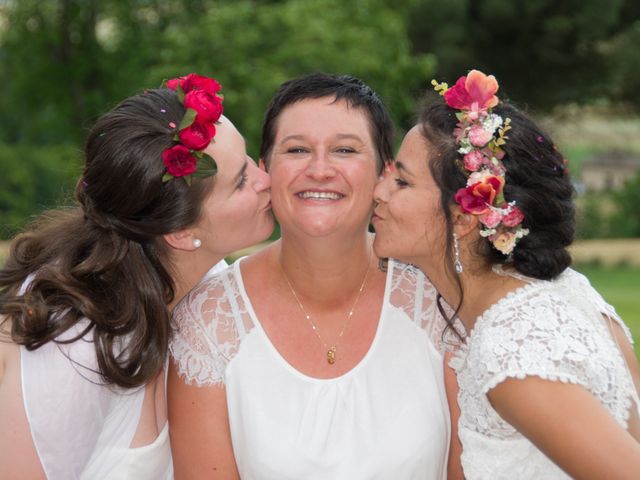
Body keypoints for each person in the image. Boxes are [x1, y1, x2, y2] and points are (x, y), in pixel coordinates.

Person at [168, 72, 455, 479]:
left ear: (383, 172)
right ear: (266, 169)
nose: (319, 170)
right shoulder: (208, 322)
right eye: (298, 149)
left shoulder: (438, 297)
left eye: (344, 150)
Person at [0, 73, 273, 479]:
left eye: (249, 160)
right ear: (181, 232)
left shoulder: (207, 283)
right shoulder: (72, 342)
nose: (265, 179)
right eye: (240, 183)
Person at [372, 69, 640, 479]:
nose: (378, 191)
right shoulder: (565, 292)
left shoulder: (515, 349)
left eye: (402, 182)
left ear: (463, 217)